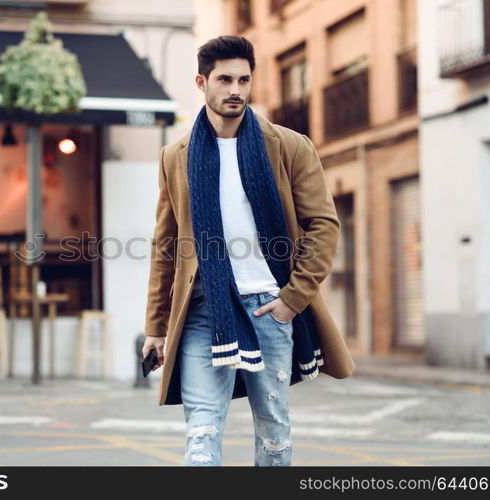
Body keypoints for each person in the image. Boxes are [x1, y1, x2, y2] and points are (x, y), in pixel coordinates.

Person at [143, 35, 343, 466]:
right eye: (225, 80)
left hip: (269, 307)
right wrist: (156, 326)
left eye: (244, 80)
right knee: (202, 432)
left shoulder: (289, 146)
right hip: (203, 309)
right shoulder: (175, 156)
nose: (236, 89)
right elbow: (166, 247)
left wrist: (292, 299)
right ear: (202, 82)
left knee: (274, 430)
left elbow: (323, 225)